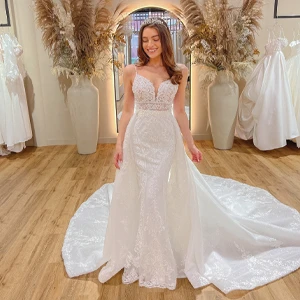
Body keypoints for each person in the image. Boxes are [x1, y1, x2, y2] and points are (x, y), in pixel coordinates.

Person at [62, 18, 300, 293]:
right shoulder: (131, 71)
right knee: (142, 192)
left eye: (155, 38)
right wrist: (119, 145)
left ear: (165, 40)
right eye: (145, 39)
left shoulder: (180, 71)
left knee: (154, 193)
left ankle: (157, 258)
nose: (150, 44)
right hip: (139, 139)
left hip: (165, 139)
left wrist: (191, 144)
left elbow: (178, 111)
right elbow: (127, 111)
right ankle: (141, 246)